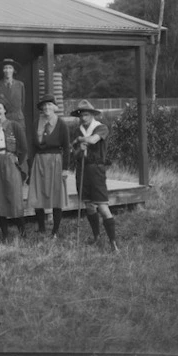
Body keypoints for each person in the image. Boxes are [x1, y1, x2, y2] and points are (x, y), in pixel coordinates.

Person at [71, 99, 119, 252]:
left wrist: (81, 140)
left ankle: (113, 243)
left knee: (102, 206)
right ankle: (97, 236)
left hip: (96, 169)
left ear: (92, 115)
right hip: (82, 170)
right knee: (89, 205)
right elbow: (74, 154)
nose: (83, 118)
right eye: (81, 116)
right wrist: (79, 149)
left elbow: (93, 139)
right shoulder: (78, 130)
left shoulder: (101, 128)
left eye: (86, 115)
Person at [27, 94, 70, 239]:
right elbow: (32, 146)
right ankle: (41, 227)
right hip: (39, 160)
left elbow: (66, 147)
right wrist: (30, 164)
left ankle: (56, 230)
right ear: (41, 108)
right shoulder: (35, 123)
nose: (47, 108)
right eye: (44, 106)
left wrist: (65, 168)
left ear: (54, 107)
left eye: (49, 105)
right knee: (37, 193)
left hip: (55, 161)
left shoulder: (61, 124)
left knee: (56, 194)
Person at [0, 98, 28, 241]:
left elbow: (24, 147)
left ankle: (23, 232)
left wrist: (18, 161)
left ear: (4, 110)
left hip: (11, 161)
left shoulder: (14, 126)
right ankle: (5, 234)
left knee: (14, 196)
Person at [0, 58, 26, 130]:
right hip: (2, 120)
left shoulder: (20, 85)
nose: (7, 70)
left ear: (13, 70)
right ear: (2, 70)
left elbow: (22, 104)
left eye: (10, 68)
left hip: (18, 120)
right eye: (5, 68)